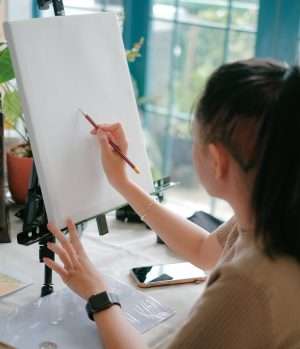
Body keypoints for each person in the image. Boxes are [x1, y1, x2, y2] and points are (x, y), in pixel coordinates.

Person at [44, 59, 300, 348]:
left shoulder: (247, 285)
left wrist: (99, 296)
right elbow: (205, 250)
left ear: (216, 161)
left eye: (195, 139)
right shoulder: (273, 210)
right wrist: (122, 183)